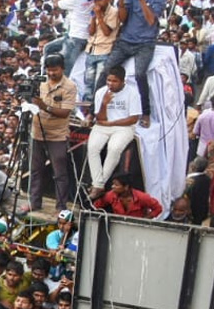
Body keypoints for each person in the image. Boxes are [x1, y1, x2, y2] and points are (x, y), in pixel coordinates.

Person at [107, 0, 167, 125]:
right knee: (106, 70)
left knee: (140, 74)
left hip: (145, 43)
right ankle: (96, 108)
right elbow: (123, 18)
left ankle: (145, 113)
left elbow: (150, 20)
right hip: (126, 40)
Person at [30, 53, 80, 213]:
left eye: (55, 70)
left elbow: (65, 112)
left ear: (63, 69)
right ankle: (34, 203)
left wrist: (45, 107)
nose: (51, 74)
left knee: (59, 173)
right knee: (35, 169)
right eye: (49, 70)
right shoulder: (40, 82)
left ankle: (61, 207)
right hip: (37, 131)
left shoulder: (70, 86)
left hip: (57, 135)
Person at [87, 66, 143, 199]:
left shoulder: (132, 93)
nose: (110, 84)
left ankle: (98, 184)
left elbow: (133, 119)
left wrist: (112, 123)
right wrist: (104, 104)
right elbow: (100, 118)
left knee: (114, 148)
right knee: (93, 147)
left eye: (114, 81)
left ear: (123, 81)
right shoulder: (101, 92)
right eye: (108, 80)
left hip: (124, 127)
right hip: (103, 125)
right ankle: (99, 184)